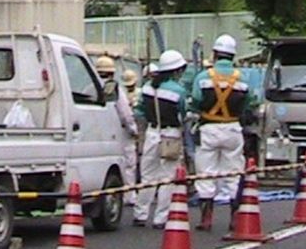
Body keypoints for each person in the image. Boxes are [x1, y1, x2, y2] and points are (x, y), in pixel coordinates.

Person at [190, 34, 251, 231]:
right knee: (234, 173)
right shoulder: (243, 78)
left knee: (205, 173)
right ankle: (235, 217)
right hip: (233, 127)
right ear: (233, 55)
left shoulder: (203, 77)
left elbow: (195, 100)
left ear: (215, 54)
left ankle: (206, 218)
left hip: (209, 128)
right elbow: (250, 102)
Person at [132, 49, 187, 229]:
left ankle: (140, 214)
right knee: (167, 177)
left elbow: (139, 110)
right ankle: (160, 218)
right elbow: (183, 114)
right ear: (176, 70)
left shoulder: (148, 87)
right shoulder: (178, 91)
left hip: (152, 132)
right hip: (171, 135)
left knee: (147, 175)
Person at [95, 56, 139, 204]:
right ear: (112, 73)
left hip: (97, 134)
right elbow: (126, 114)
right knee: (128, 164)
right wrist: (133, 130)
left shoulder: (90, 88)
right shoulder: (116, 90)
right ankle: (129, 195)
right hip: (119, 133)